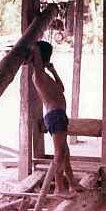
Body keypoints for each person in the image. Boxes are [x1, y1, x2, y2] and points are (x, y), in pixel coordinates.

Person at [29, 41, 76, 197]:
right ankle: (59, 188)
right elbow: (35, 49)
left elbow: (61, 88)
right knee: (59, 153)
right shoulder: (38, 74)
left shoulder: (45, 74)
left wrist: (53, 70)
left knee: (65, 151)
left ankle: (73, 184)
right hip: (55, 116)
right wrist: (36, 46)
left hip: (58, 115)